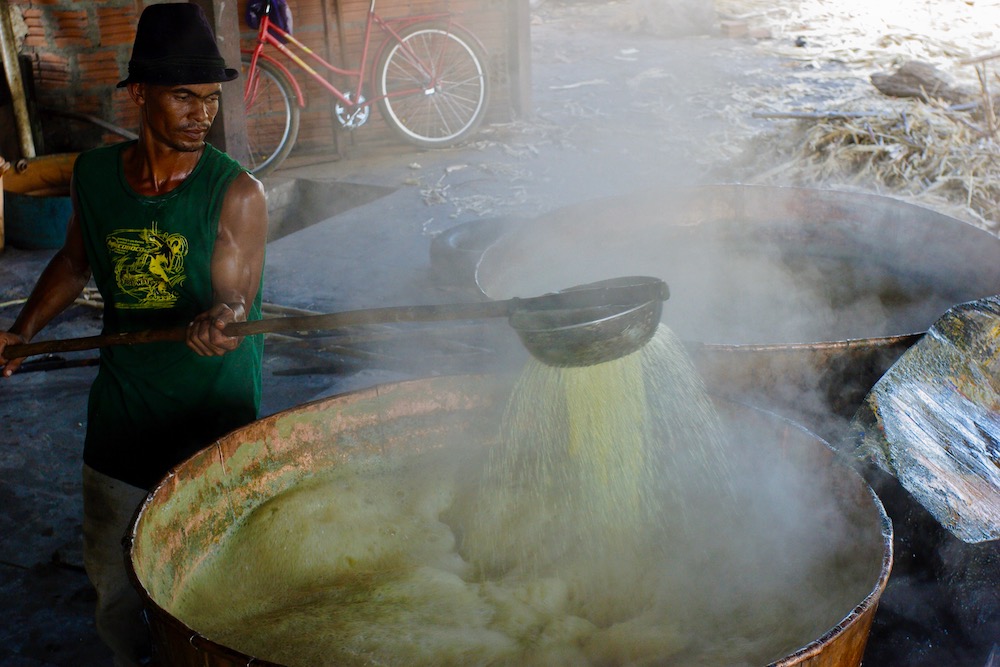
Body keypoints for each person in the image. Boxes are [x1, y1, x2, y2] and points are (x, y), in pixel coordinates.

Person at [0, 4, 268, 665]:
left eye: (209, 99)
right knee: (116, 585)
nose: (202, 114)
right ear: (139, 92)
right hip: (122, 417)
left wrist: (222, 320)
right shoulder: (94, 177)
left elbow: (236, 296)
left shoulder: (236, 193)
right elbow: (74, 261)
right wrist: (21, 330)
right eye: (184, 97)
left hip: (214, 419)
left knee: (215, 583)